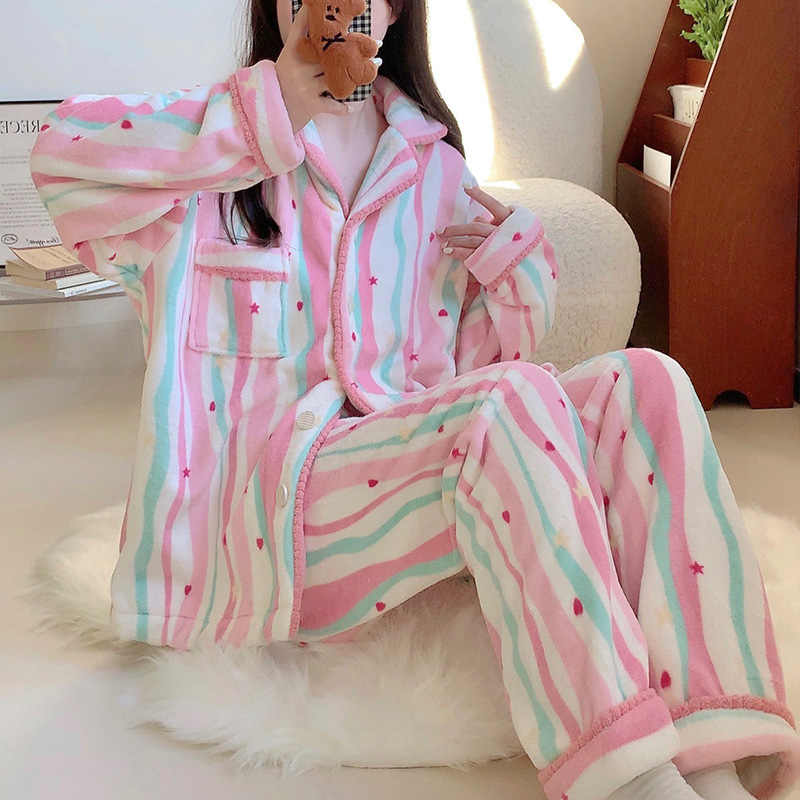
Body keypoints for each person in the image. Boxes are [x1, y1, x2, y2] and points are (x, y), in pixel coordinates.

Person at [28, 1, 800, 800]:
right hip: (277, 517)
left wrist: (513, 274)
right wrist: (264, 114)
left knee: (646, 382)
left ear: (394, 8)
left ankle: (712, 740)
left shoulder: (433, 167)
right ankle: (627, 775)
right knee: (505, 404)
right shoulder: (206, 161)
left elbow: (484, 385)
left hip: (405, 492)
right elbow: (59, 158)